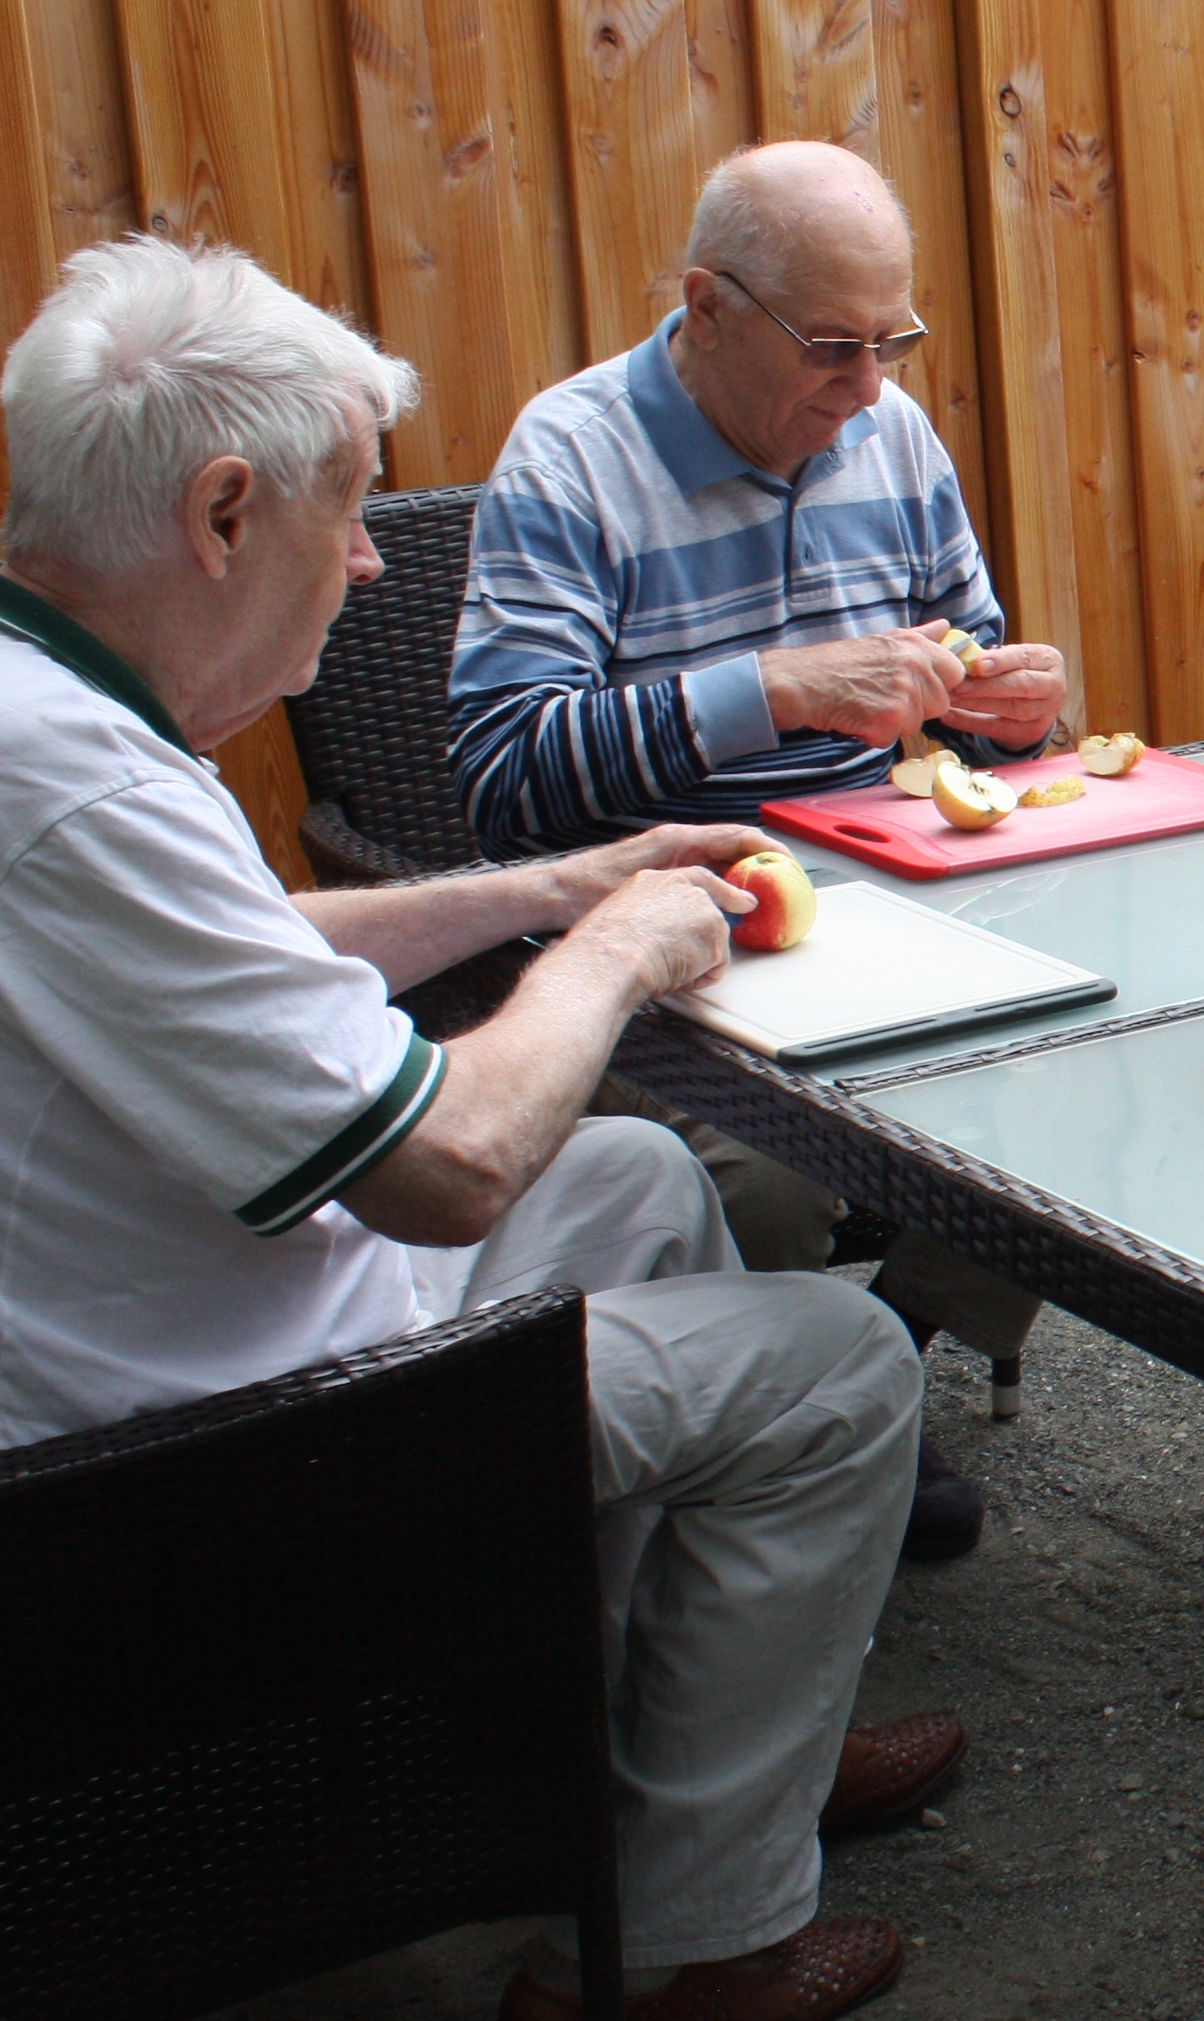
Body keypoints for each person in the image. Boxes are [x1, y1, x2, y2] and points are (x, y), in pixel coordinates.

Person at [0, 238, 961, 2021]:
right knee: (838, 1367)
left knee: (638, 1181)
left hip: (39, 1376)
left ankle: (677, 1750)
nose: (380, 556)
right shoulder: (64, 782)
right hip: (111, 1493)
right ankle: (675, 1951)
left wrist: (546, 886)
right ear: (224, 512)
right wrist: (611, 950)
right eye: (351, 504)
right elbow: (448, 1169)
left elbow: (220, 958)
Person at [452, 139, 1062, 1559]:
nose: (868, 391)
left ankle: (879, 1367)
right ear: (708, 306)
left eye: (893, 343)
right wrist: (773, 690)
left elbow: (963, 685)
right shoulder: (572, 458)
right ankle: (768, 1437)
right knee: (768, 1174)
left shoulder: (892, 434)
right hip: (666, 931)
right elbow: (505, 777)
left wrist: (1014, 711)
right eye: (833, 347)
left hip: (895, 890)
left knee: (1082, 1077)